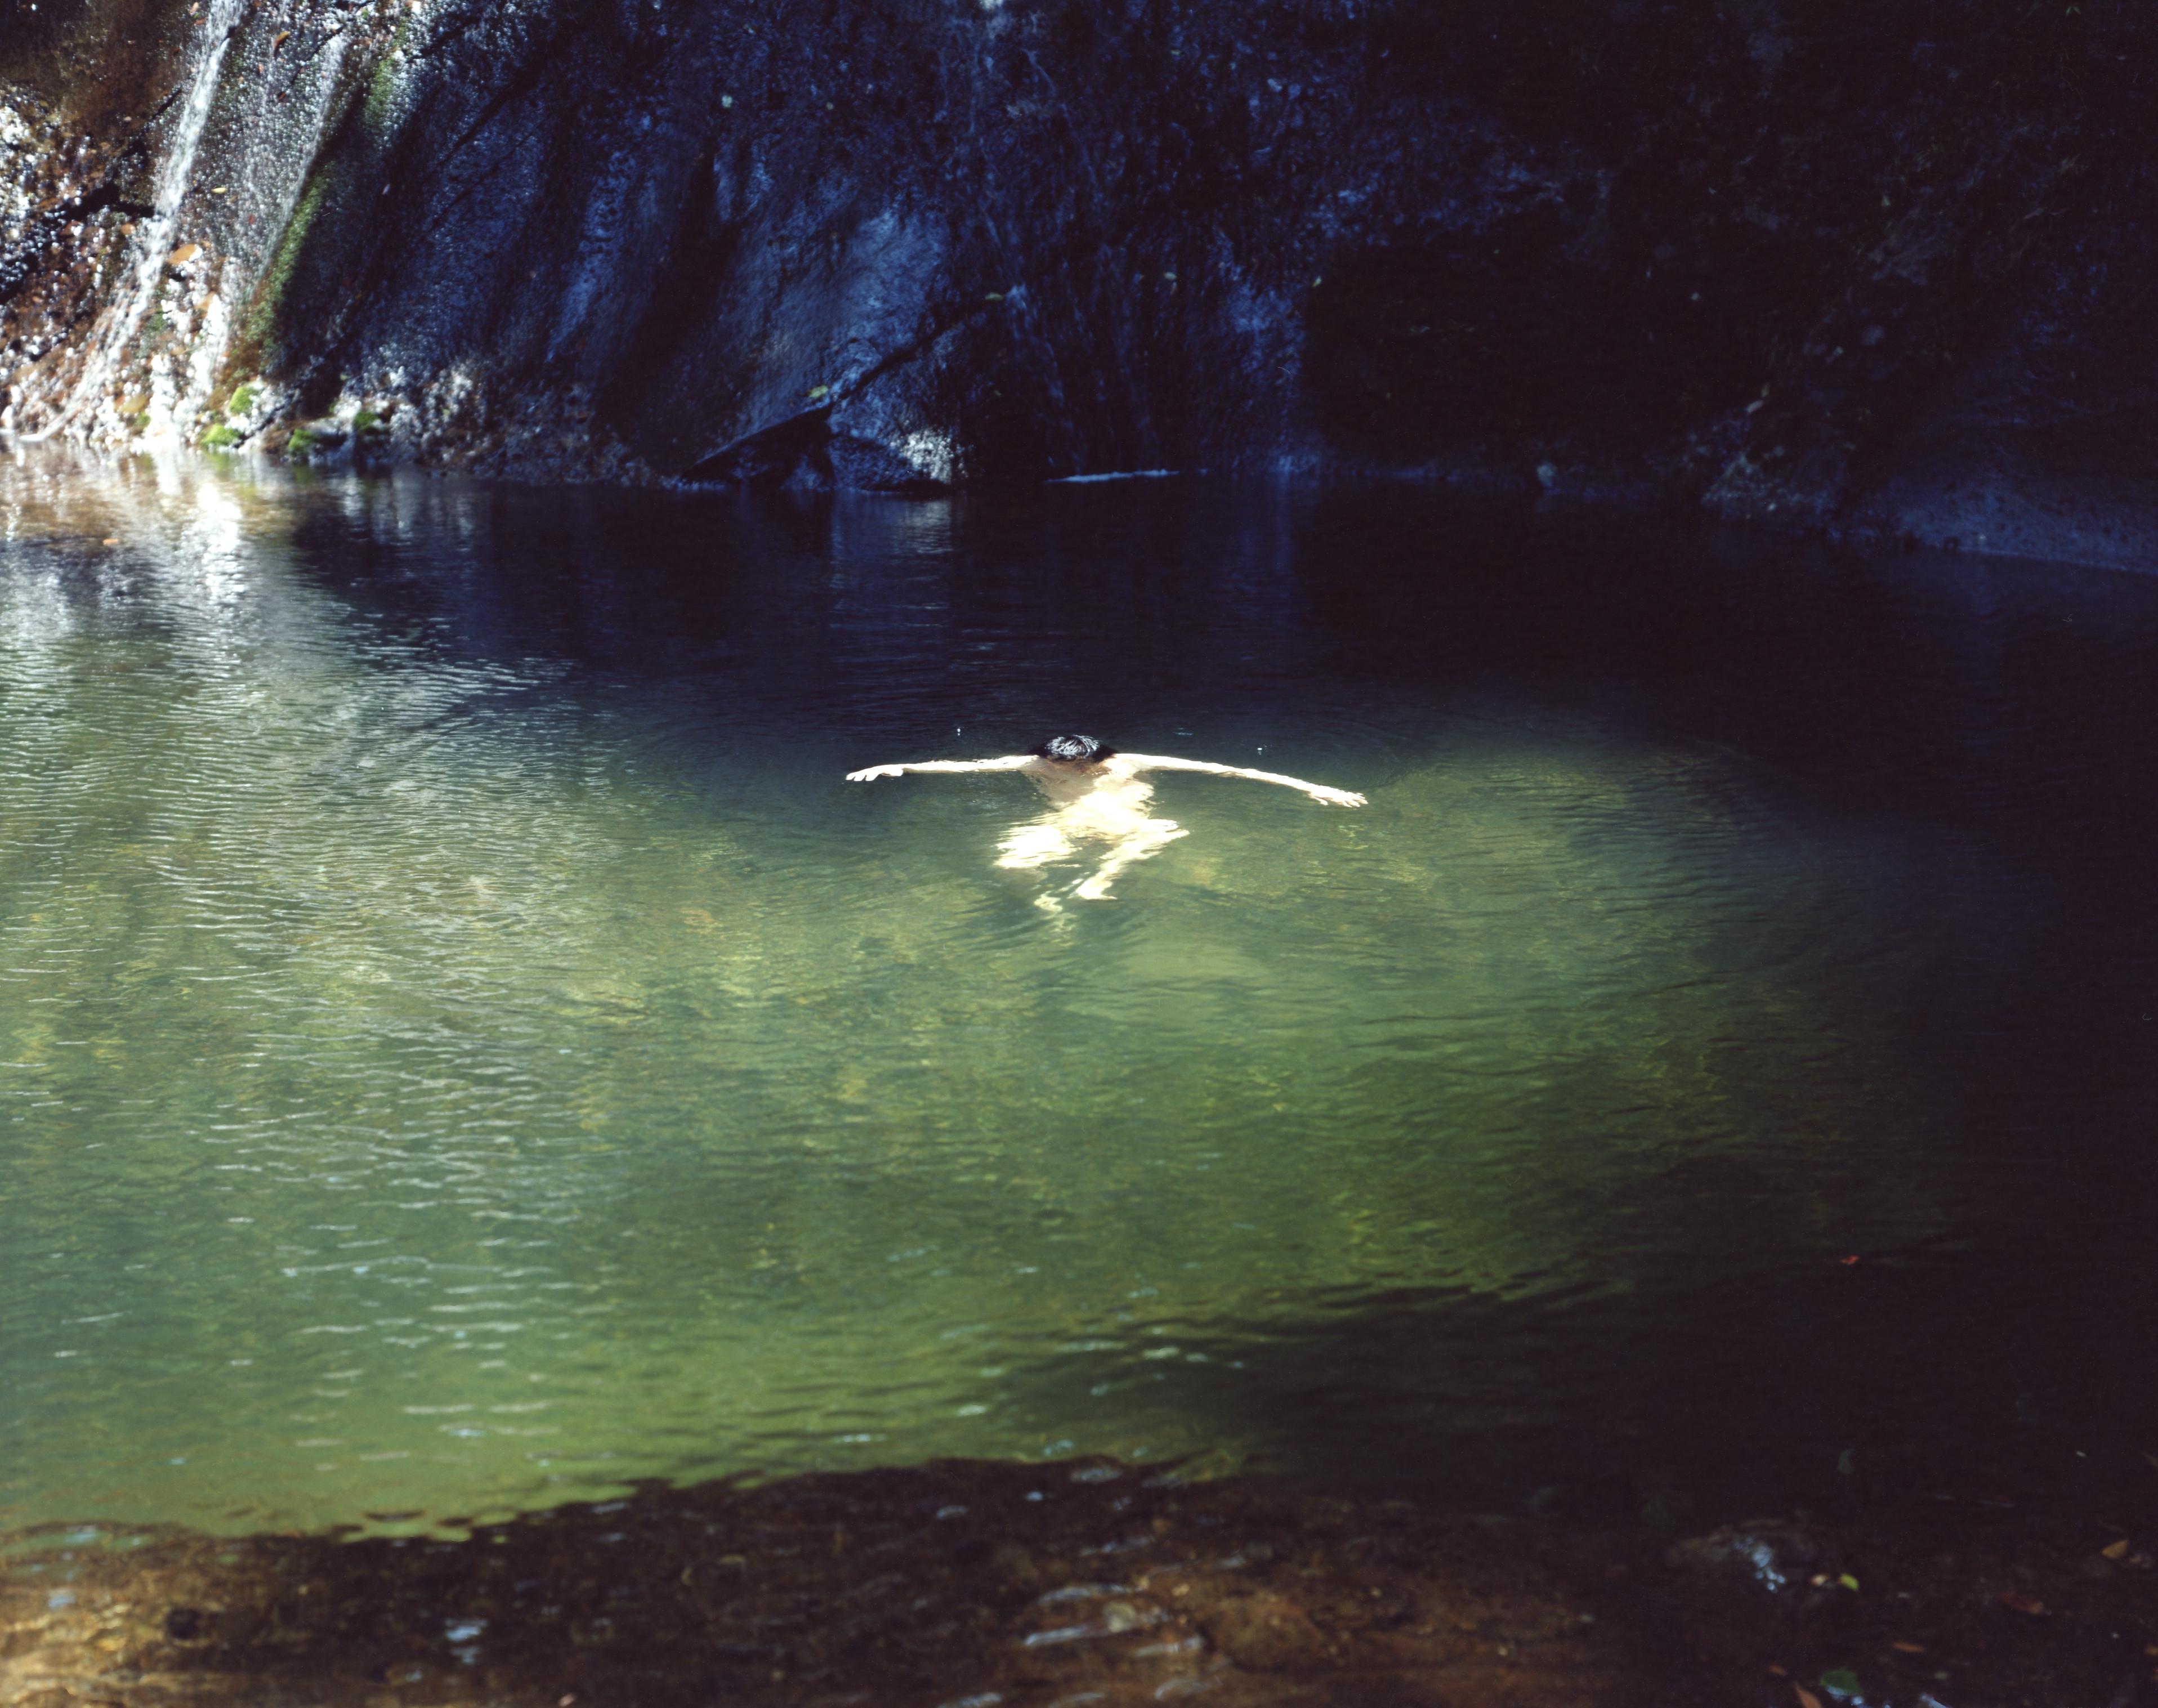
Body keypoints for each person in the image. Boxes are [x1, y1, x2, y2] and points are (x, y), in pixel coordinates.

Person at [845, 734, 1366, 902]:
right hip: (1064, 827)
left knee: (1159, 833)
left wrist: (1311, 786)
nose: (1049, 768)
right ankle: (1053, 902)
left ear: (1090, 759)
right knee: (1010, 866)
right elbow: (965, 765)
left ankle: (1098, 882)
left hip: (1129, 828)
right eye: (1047, 761)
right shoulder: (1032, 763)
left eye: (1062, 764)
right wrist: (899, 765)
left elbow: (1226, 771)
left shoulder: (1134, 764)